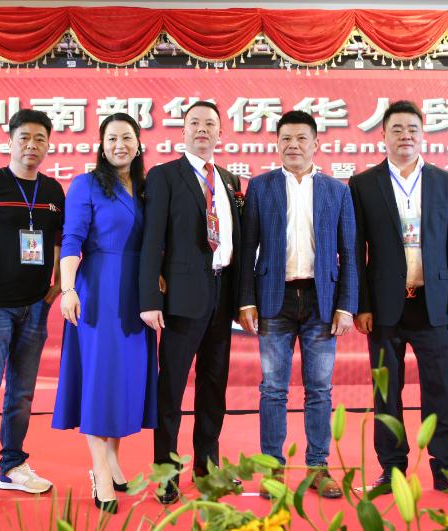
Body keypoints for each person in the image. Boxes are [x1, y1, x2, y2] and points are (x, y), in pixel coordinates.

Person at [348, 100, 448, 500]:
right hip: (384, 308)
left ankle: (447, 470)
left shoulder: (445, 182)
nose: (405, 136)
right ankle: (391, 469)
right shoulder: (363, 184)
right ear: (383, 135)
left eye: (412, 129)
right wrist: (362, 304)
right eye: (397, 129)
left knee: (440, 391)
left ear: (423, 135)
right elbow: (356, 250)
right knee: (386, 393)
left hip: (432, 303)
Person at [236, 110, 357, 499]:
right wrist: (246, 300)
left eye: (301, 138)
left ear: (315, 143)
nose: (293, 145)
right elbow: (247, 249)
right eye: (286, 138)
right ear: (276, 143)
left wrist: (346, 305)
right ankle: (273, 469)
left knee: (319, 389)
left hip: (322, 302)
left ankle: (318, 466)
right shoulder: (261, 187)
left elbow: (349, 254)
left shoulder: (337, 191)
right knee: (273, 389)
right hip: (275, 299)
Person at [0, 109, 65, 514]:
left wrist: (57, 287)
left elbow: (61, 244)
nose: (32, 146)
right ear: (10, 141)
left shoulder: (53, 191)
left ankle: (13, 465)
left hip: (35, 308)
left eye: (40, 139)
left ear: (48, 144)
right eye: (24, 138)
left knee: (21, 394)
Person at [52, 113, 157, 514]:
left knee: (126, 380)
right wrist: (67, 289)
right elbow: (71, 239)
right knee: (99, 380)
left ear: (138, 143)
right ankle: (99, 471)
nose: (119, 145)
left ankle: (113, 459)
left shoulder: (146, 187)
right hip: (98, 290)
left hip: (137, 293)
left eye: (126, 137)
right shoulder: (87, 184)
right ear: (101, 144)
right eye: (112, 138)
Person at [138, 101, 241, 505]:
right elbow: (152, 240)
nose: (202, 129)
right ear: (182, 131)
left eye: (209, 124)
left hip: (222, 295)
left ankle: (207, 467)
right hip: (180, 299)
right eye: (194, 122)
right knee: (172, 391)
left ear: (220, 133)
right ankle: (167, 473)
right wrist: (150, 297)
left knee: (214, 388)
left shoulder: (229, 179)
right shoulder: (165, 176)